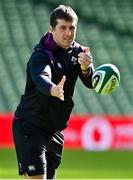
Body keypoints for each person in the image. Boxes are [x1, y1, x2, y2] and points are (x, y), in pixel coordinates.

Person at [12, 4, 94, 180]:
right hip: (30, 125)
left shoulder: (79, 53)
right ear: (52, 29)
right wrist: (52, 88)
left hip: (55, 131)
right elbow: (41, 76)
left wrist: (86, 69)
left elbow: (91, 83)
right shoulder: (42, 54)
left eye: (72, 28)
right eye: (63, 28)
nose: (68, 33)